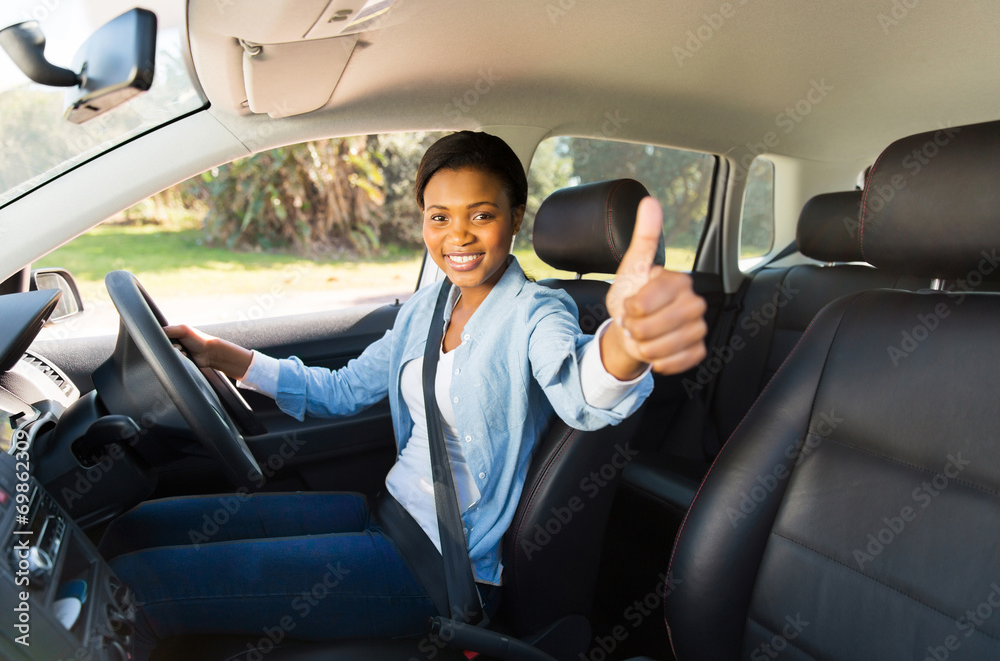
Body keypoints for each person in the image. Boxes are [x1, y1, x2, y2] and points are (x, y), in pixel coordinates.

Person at [98, 131, 707, 658]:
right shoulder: (428, 305)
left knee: (137, 588)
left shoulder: (537, 311)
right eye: (438, 217)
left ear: (516, 217)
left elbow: (580, 390)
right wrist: (229, 359)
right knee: (137, 529)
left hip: (443, 567)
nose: (456, 236)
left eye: (481, 214)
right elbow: (343, 389)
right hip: (386, 515)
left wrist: (624, 342)